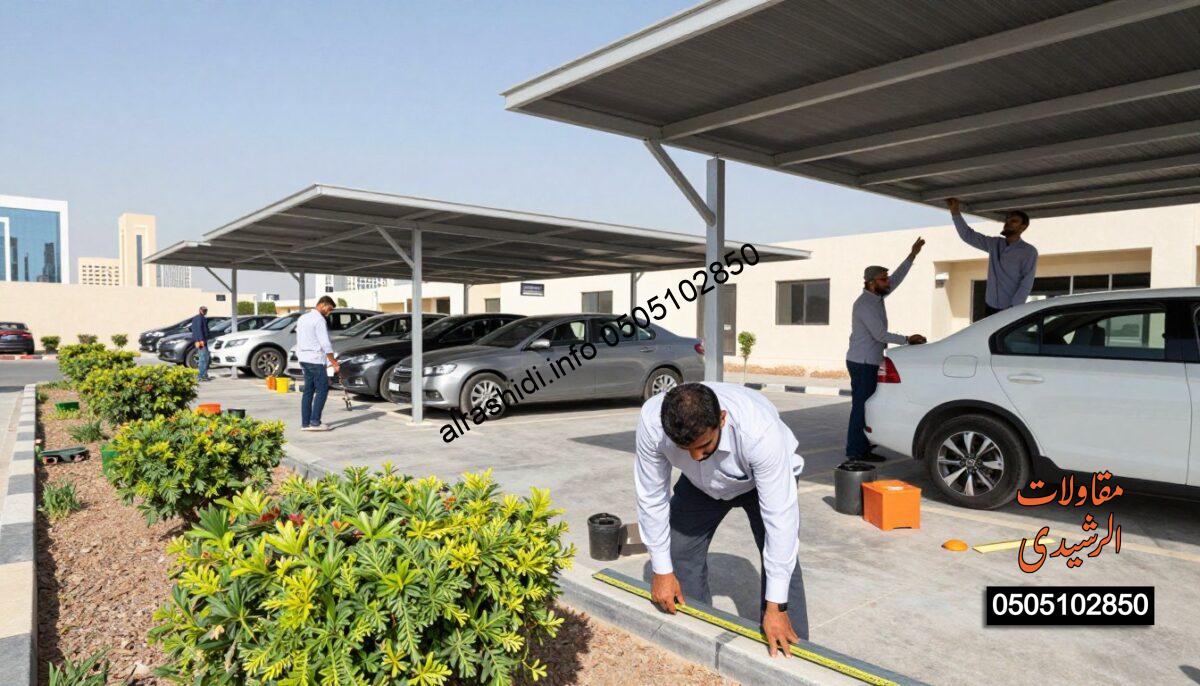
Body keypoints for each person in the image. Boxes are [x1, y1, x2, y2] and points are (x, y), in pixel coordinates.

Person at [635, 382, 808, 657]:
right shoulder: (652, 422)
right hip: (699, 485)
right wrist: (661, 570)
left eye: (704, 446)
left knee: (781, 561)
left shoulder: (760, 432)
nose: (696, 456)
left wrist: (776, 606)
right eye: (684, 448)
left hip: (759, 478)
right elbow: (651, 496)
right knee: (678, 551)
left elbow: (780, 522)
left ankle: (794, 651)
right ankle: (695, 635)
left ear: (722, 419)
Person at [845, 238, 927, 462]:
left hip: (868, 360)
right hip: (863, 363)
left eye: (887, 278)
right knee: (861, 407)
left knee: (866, 406)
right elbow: (879, 335)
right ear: (872, 283)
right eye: (884, 279)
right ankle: (855, 452)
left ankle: (862, 447)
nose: (888, 282)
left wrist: (912, 255)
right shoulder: (864, 304)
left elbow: (897, 278)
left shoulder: (876, 297)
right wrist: (907, 339)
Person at [947, 197, 1038, 317]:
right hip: (989, 307)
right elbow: (968, 236)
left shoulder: (1029, 251)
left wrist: (1014, 308)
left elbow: (1026, 282)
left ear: (1023, 227)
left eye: (1013, 221)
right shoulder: (994, 243)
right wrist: (955, 213)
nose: (1008, 223)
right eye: (1007, 220)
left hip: (1010, 309)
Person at [296, 296, 341, 431]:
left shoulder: (302, 318)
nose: (329, 312)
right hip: (315, 360)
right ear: (322, 304)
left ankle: (305, 423)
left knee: (308, 391)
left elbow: (299, 339)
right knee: (322, 389)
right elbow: (325, 344)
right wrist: (334, 363)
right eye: (329, 309)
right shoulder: (319, 320)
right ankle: (315, 422)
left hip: (304, 358)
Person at [190, 306, 212, 381]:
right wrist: (201, 340)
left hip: (199, 340)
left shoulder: (196, 318)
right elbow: (199, 329)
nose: (205, 311)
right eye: (204, 310)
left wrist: (197, 340)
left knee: (204, 357)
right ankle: (202, 376)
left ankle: (203, 375)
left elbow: (192, 329)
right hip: (201, 341)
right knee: (204, 358)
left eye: (206, 310)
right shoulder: (200, 318)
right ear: (200, 310)